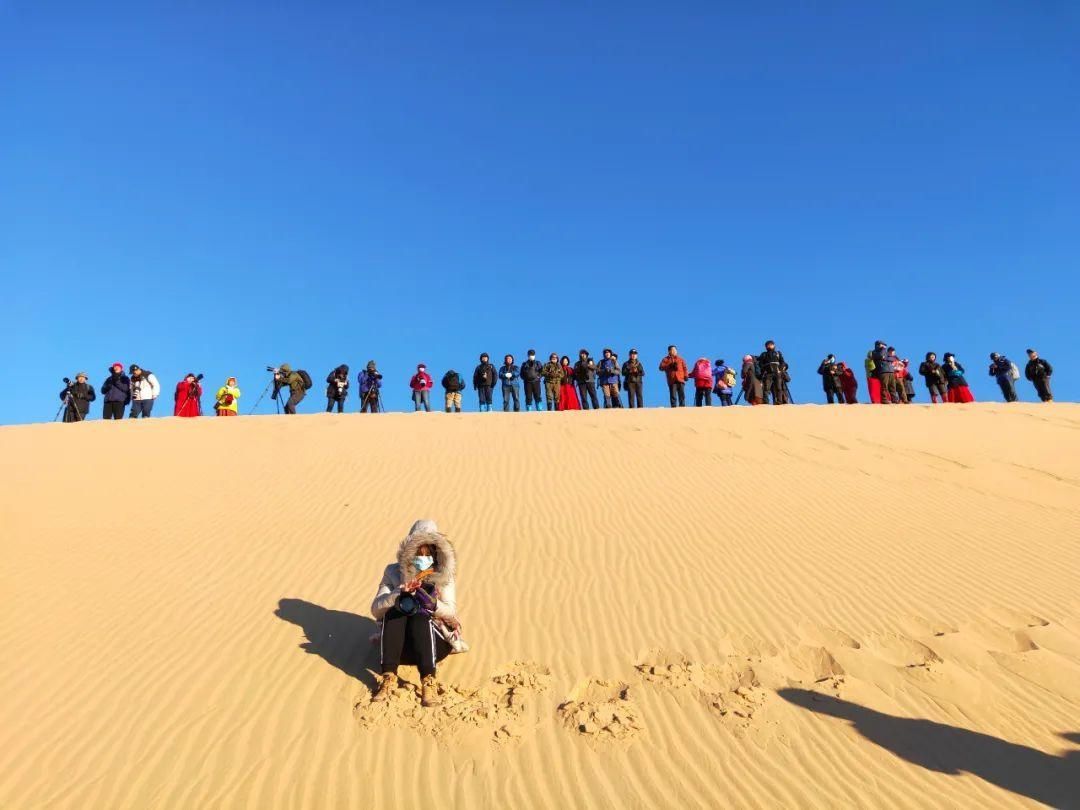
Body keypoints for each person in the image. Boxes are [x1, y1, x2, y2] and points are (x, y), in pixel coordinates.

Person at [371, 520, 464, 708]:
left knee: (420, 617)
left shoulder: (444, 575)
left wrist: (432, 603)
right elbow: (376, 610)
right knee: (394, 613)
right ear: (408, 551)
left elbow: (451, 611)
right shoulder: (392, 572)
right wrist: (398, 593)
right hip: (399, 650)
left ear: (436, 552)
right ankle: (388, 678)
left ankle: (428, 681)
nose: (423, 557)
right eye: (418, 552)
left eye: (428, 552)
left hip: (434, 645)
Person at [757, 341, 788, 405]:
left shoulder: (778, 353)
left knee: (779, 388)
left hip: (777, 373)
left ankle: (779, 402)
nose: (769, 346)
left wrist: (780, 370)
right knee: (766, 389)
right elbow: (760, 363)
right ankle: (766, 403)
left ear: (774, 345)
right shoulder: (764, 354)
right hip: (768, 374)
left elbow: (782, 362)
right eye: (767, 345)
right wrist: (764, 369)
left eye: (771, 345)